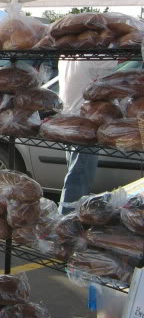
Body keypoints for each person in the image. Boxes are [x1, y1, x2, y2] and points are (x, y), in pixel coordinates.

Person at [58, 58, 116, 214]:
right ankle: (67, 219)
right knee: (79, 176)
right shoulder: (96, 54)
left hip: (69, 120)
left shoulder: (68, 55)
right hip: (85, 124)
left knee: (75, 173)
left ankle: (68, 217)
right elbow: (120, 60)